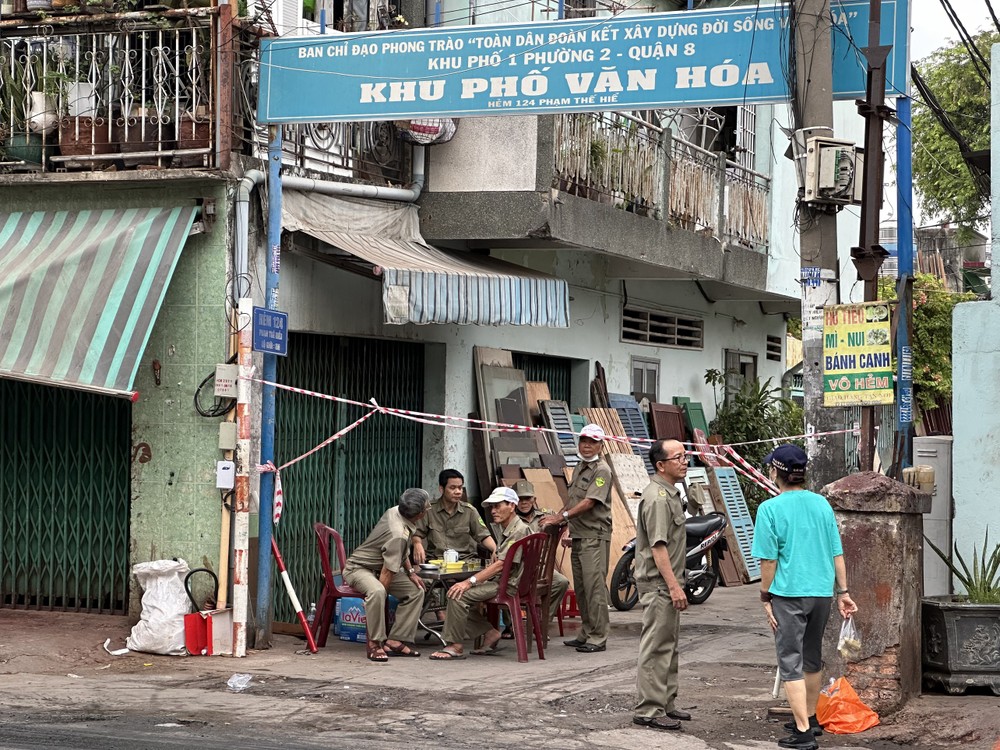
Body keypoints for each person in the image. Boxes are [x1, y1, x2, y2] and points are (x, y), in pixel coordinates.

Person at [751, 444, 859, 750]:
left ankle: (802, 732)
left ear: (776, 472)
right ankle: (810, 718)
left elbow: (768, 562)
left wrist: (764, 595)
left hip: (789, 594)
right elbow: (837, 552)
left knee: (790, 661)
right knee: (811, 658)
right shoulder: (822, 505)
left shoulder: (769, 509)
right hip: (821, 593)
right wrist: (844, 592)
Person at [429, 487, 529, 660]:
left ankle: (455, 646)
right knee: (457, 591)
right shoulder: (508, 528)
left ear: (512, 506)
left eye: (498, 506)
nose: (494, 511)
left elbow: (500, 565)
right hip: (505, 581)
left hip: (508, 584)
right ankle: (490, 632)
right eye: (492, 507)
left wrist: (469, 581)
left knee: (457, 594)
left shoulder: (518, 530)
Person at [632, 439, 691, 731]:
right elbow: (658, 548)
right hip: (658, 584)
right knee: (656, 645)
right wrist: (674, 587)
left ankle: (666, 702)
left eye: (685, 455)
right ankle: (649, 709)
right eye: (678, 457)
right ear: (661, 465)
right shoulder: (656, 498)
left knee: (669, 643)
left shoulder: (671, 493)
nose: (685, 461)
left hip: (668, 582)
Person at [541, 423, 613, 653]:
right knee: (581, 588)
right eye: (584, 441)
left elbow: (589, 502)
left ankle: (598, 637)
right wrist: (562, 521)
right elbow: (573, 501)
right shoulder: (581, 466)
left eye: (593, 442)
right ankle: (586, 632)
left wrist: (561, 517)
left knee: (595, 588)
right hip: (580, 534)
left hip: (595, 535)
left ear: (601, 445)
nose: (587, 445)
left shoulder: (602, 470)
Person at [342, 488, 430, 663]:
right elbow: (387, 572)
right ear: (420, 514)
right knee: (378, 592)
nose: (429, 508)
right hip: (359, 568)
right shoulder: (398, 533)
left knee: (416, 591)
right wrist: (380, 600)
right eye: (427, 507)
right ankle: (375, 642)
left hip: (382, 564)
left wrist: (411, 572)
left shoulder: (396, 510)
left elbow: (400, 552)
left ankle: (396, 639)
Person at [513, 479, 570, 621]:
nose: (524, 502)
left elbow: (569, 520)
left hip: (541, 567)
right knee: (506, 587)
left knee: (561, 582)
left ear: (534, 499)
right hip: (517, 567)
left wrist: (566, 531)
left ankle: (541, 622)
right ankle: (511, 625)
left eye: (527, 498)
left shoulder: (546, 515)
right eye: (520, 499)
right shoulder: (510, 518)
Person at [412, 469, 496, 564]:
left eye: (460, 488)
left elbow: (483, 536)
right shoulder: (429, 510)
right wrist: (417, 543)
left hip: (464, 562)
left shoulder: (470, 511)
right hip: (437, 562)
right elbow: (416, 533)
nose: (458, 492)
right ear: (441, 489)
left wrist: (495, 550)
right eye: (452, 488)